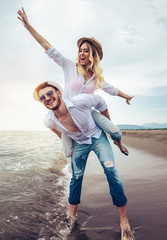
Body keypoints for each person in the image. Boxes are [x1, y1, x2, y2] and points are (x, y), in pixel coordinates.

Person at [17, 7, 134, 158]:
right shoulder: (69, 66)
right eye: (80, 50)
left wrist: (127, 97)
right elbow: (47, 46)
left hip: (86, 113)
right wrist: (28, 27)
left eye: (86, 50)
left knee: (113, 129)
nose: (81, 53)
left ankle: (119, 144)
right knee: (69, 153)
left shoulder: (96, 78)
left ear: (92, 54)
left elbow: (112, 89)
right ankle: (69, 137)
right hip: (66, 113)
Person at [33, 81, 135, 240]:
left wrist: (106, 122)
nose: (47, 98)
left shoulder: (80, 101)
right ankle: (71, 218)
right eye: (43, 97)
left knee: (110, 170)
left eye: (50, 93)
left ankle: (124, 222)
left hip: (97, 137)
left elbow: (101, 102)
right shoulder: (49, 120)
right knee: (76, 178)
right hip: (79, 144)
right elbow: (59, 133)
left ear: (58, 93)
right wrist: (70, 143)